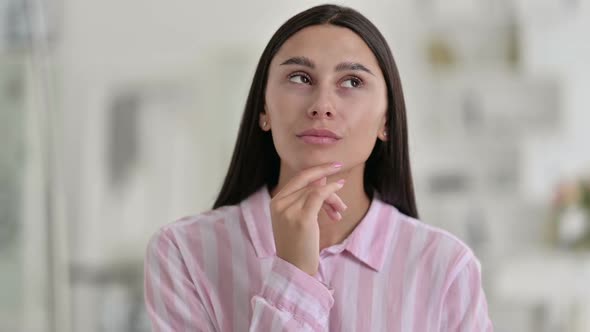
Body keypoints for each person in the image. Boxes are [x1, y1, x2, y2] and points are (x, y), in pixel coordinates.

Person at [144, 4, 493, 331]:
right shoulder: (185, 252)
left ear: (386, 121)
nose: (322, 106)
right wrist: (293, 272)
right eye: (299, 78)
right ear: (263, 110)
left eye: (353, 82)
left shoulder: (446, 267)